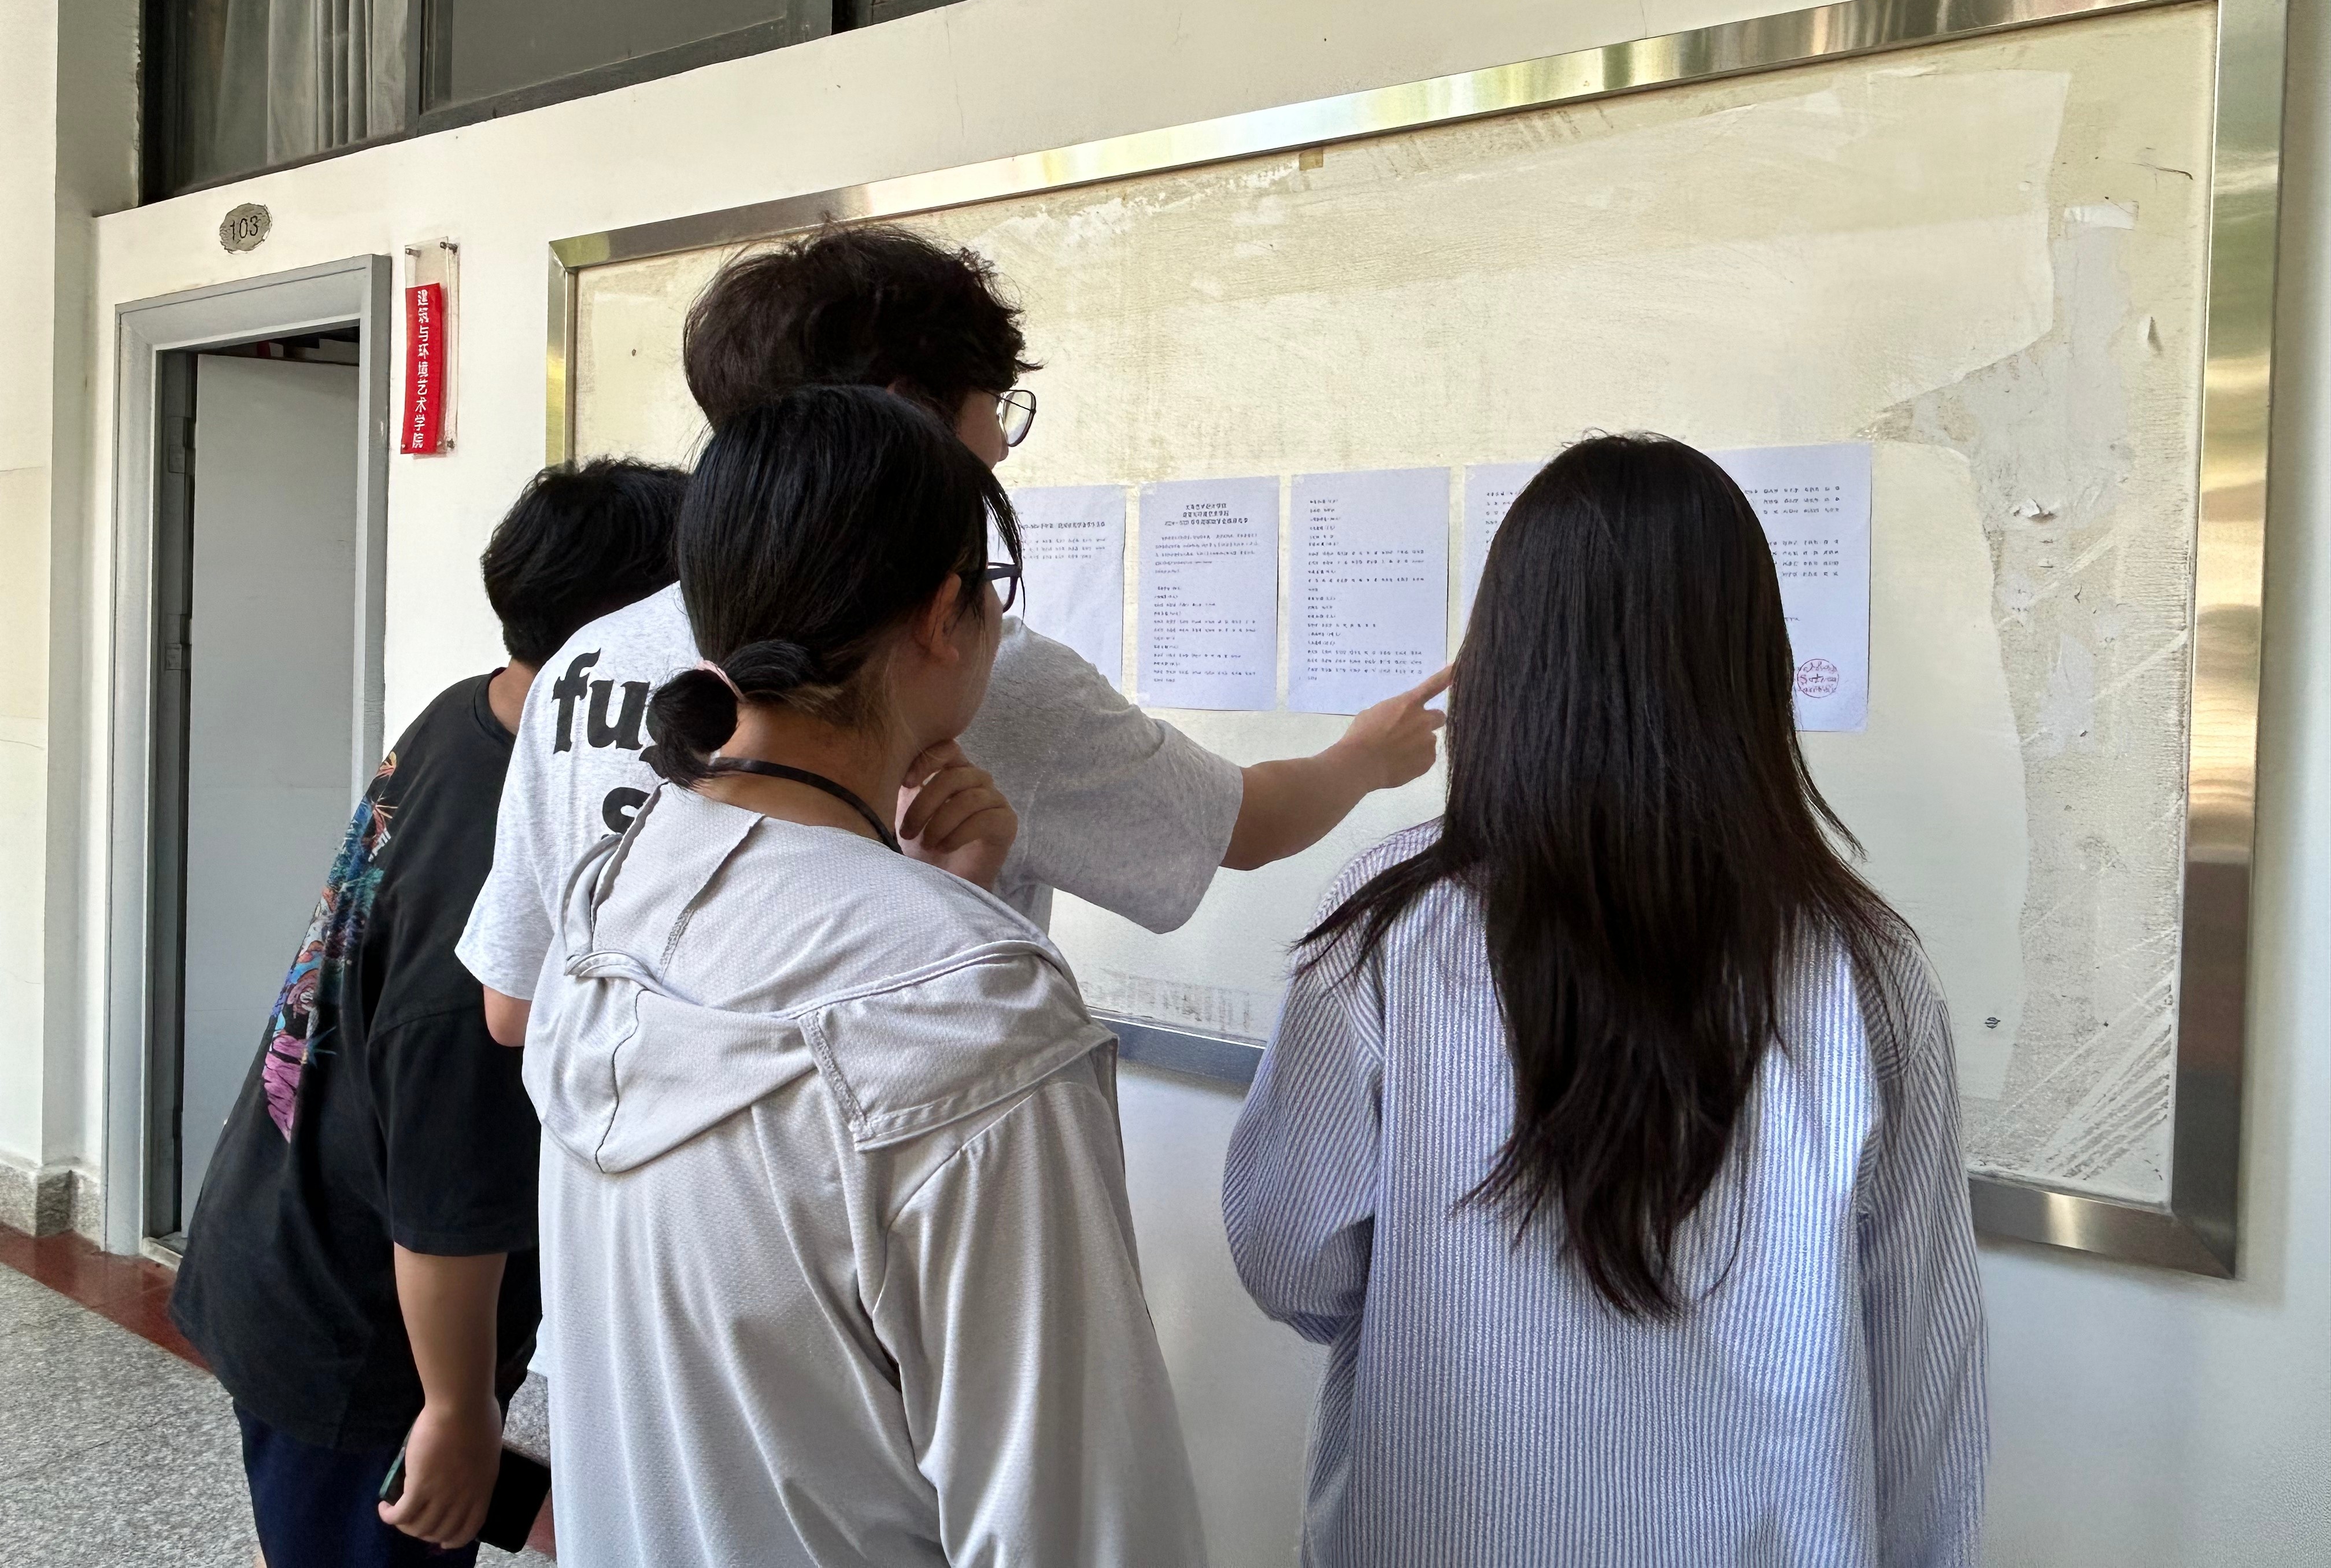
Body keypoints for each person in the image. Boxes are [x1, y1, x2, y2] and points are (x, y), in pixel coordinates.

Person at [1223, 435, 1986, 1567]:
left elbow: (1290, 1259)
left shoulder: (1391, 933)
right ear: (1756, 669)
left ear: (1503, 665)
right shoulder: (1864, 970)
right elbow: (1923, 1380)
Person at [460, 221, 1448, 1041]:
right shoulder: (962, 673)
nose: (1000, 448)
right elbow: (1248, 827)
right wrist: (1366, 756)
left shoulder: (583, 660)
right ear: (903, 415)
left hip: (621, 1207)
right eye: (993, 407)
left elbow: (514, 1008)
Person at [526, 384, 1207, 1566]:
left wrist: (932, 893)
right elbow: (1079, 1521)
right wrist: (938, 920)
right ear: (946, 615)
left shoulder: (613, 894)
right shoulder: (972, 1008)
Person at [170, 457, 689, 1567]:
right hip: (362, 1331)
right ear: (621, 641)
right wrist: (457, 1409)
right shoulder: (492, 912)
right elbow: (444, 1191)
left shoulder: (477, 711)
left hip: (290, 1231)